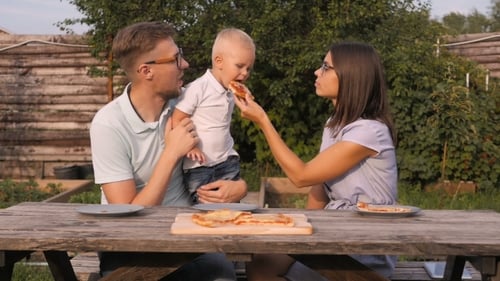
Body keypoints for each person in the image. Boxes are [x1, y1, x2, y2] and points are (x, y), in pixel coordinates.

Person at [90, 21, 248, 281]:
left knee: (222, 272)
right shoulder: (109, 124)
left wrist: (239, 188)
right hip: (131, 248)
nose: (185, 64)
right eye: (175, 59)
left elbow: (223, 162)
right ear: (146, 71)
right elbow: (126, 217)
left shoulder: (188, 103)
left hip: (188, 240)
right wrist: (171, 153)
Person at [234, 42, 398, 280]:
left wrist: (263, 122)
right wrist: (304, 234)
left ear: (350, 76)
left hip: (365, 246)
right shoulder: (334, 126)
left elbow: (302, 176)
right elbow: (319, 186)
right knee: (262, 262)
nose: (316, 72)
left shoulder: (370, 131)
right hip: (335, 233)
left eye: (326, 67)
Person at [172, 28, 255, 203]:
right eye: (240, 66)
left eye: (249, 68)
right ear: (219, 61)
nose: (245, 73)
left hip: (227, 160)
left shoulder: (230, 91)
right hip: (199, 166)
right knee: (205, 207)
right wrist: (190, 147)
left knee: (231, 206)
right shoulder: (198, 88)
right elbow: (177, 118)